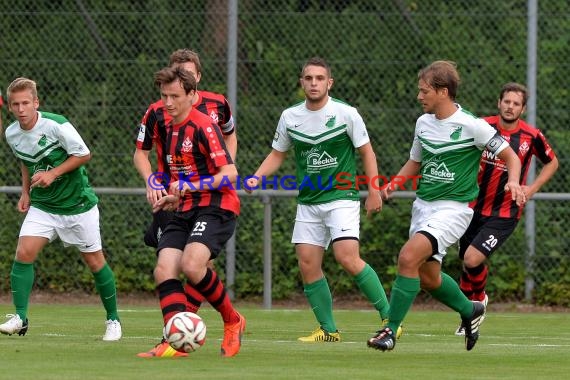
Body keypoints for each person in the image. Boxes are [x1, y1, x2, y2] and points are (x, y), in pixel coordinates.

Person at [366, 61, 526, 352]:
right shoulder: (423, 123)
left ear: (443, 91)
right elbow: (415, 161)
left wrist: (513, 182)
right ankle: (470, 310)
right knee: (428, 278)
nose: (419, 96)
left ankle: (390, 330)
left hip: (453, 210)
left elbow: (512, 157)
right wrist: (390, 185)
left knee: (407, 257)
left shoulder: (472, 125)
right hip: (423, 207)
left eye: (424, 91)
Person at [246, 56, 397, 343]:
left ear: (329, 83)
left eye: (319, 79)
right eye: (308, 78)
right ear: (301, 82)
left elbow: (367, 151)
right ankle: (328, 330)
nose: (313, 83)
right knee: (307, 263)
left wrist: (374, 190)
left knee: (347, 257)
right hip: (309, 201)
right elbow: (278, 153)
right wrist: (257, 177)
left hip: (342, 196)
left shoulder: (346, 113)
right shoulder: (290, 116)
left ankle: (391, 318)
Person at [133, 49, 237, 358]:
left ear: (192, 94)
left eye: (174, 96)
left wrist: (189, 185)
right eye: (164, 95)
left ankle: (232, 321)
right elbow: (155, 161)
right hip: (181, 205)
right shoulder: (165, 122)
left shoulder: (205, 124)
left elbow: (230, 173)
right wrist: (167, 192)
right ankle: (173, 340)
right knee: (164, 269)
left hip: (215, 205)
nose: (167, 102)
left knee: (193, 265)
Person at [1, 77, 122, 341]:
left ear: (36, 103)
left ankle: (113, 319)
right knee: (23, 253)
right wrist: (25, 192)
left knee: (94, 262)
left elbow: (84, 153)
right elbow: (25, 161)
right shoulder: (11, 133)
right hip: (44, 206)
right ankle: (20, 317)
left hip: (77, 204)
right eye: (15, 104)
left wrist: (53, 174)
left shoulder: (56, 124)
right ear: (10, 107)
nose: (21, 109)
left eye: (25, 103)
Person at [454, 82, 558, 335]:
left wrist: (531, 189)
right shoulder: (481, 126)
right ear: (499, 103)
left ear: (523, 109)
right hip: (471, 206)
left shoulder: (531, 136)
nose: (510, 107)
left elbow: (552, 162)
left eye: (516, 104)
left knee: (472, 258)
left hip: (505, 212)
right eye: (507, 102)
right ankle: (470, 311)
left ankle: (476, 304)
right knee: (466, 264)